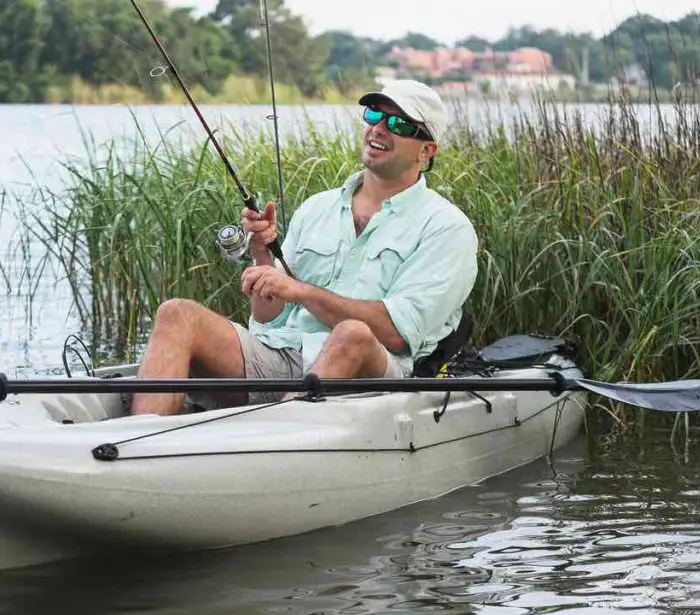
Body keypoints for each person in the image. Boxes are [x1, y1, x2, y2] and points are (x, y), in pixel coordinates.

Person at [130, 79, 479, 416]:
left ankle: (273, 441)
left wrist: (300, 290)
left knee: (352, 335)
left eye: (399, 123)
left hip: (375, 373)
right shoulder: (317, 207)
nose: (379, 128)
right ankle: (133, 452)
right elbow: (268, 320)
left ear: (426, 150)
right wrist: (262, 257)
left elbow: (397, 334)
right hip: (283, 355)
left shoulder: (447, 228)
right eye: (374, 115)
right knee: (177, 313)